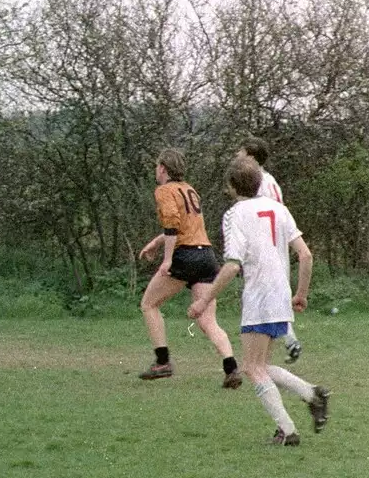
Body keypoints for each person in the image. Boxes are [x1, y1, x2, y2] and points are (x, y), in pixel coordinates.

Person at [189, 154, 328, 444]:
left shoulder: (235, 214)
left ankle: (288, 430)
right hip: (281, 294)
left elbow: (232, 265)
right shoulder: (279, 209)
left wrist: (204, 301)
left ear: (231, 186)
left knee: (252, 368)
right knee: (259, 365)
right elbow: (305, 255)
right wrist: (300, 293)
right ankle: (312, 395)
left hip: (259, 296)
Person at [135, 148, 239, 384]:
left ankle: (162, 361)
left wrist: (167, 259)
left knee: (149, 304)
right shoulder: (189, 190)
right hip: (206, 256)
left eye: (157, 166)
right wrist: (155, 242)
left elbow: (172, 225)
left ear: (163, 168)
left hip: (186, 256)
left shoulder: (164, 190)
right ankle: (231, 367)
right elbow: (186, 226)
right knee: (207, 320)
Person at [239, 136, 301, 362]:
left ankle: (281, 344)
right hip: (278, 244)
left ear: (251, 157)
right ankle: (288, 340)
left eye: (241, 153)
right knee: (275, 299)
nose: (238, 156)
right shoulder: (271, 180)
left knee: (265, 299)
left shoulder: (258, 183)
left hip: (268, 247)